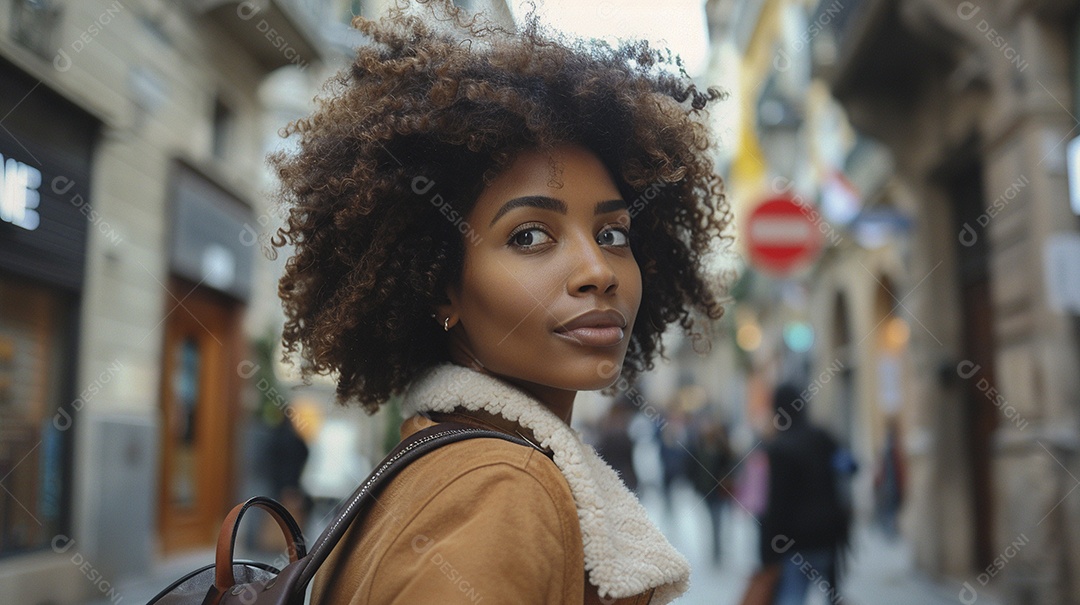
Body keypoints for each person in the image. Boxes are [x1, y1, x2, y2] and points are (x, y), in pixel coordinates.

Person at [268, 1, 730, 603]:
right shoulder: (502, 488)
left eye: (613, 234)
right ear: (439, 286)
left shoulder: (432, 456)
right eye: (530, 236)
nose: (598, 271)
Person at [760, 384, 851, 605]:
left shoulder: (779, 448)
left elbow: (777, 504)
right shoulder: (822, 438)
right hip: (828, 535)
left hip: (794, 543)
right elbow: (849, 467)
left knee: (791, 597)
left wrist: (767, 551)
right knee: (831, 594)